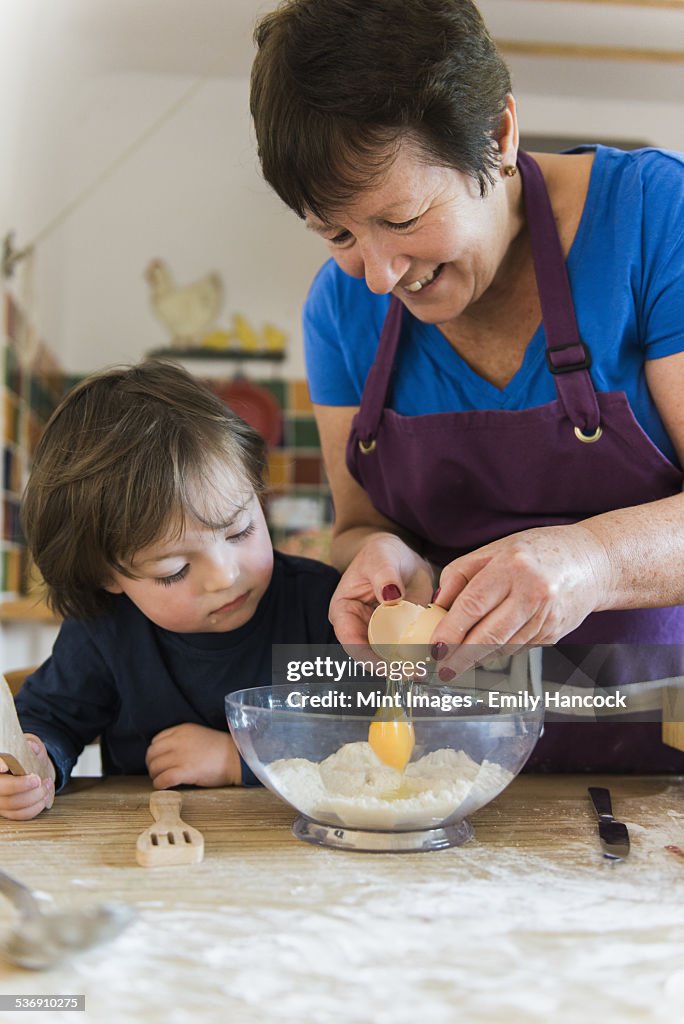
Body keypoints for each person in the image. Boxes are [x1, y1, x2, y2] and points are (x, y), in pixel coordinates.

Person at [250, 0, 684, 770]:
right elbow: (358, 522)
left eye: (403, 217)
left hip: (667, 738)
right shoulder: (339, 306)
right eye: (338, 234)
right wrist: (381, 555)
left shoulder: (659, 220)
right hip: (455, 756)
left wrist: (591, 562)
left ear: (499, 136)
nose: (379, 276)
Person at [0, 361, 339, 820]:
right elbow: (50, 718)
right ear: (108, 578)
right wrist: (35, 762)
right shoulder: (106, 629)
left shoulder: (322, 607)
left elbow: (379, 730)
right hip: (145, 855)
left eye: (240, 531)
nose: (224, 576)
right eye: (175, 570)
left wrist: (238, 759)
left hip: (303, 855)